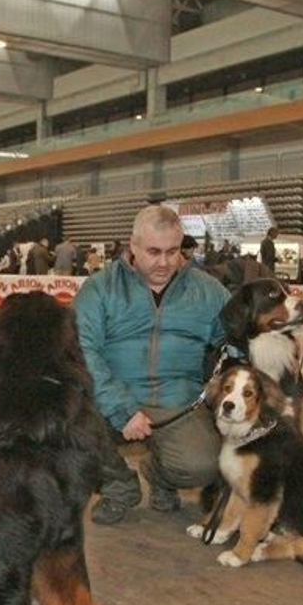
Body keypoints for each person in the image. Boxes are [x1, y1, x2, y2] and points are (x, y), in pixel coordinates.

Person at [74, 205, 228, 525]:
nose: (164, 262)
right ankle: (119, 485)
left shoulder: (210, 291)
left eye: (172, 251)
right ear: (133, 246)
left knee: (203, 464)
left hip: (179, 402)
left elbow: (236, 338)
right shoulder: (98, 289)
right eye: (154, 251)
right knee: (64, 432)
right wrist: (122, 408)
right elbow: (82, 350)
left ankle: (161, 476)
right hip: (110, 400)